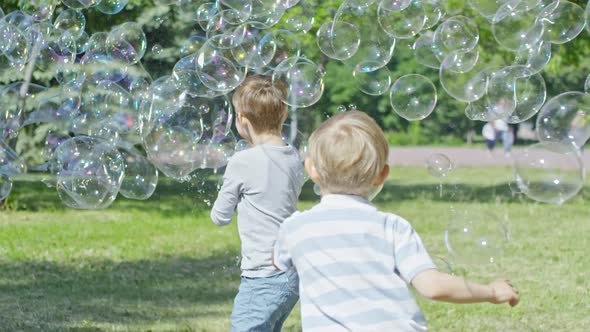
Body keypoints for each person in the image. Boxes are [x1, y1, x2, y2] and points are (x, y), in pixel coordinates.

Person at [273, 111, 519, 331]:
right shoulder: (392, 227)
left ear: (311, 169)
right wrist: (491, 291)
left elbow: (277, 266)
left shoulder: (294, 228)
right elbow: (433, 286)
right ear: (382, 175)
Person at [211, 75, 305, 331]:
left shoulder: (242, 162)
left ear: (242, 120)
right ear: (283, 115)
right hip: (291, 273)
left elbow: (220, 216)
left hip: (262, 275)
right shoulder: (293, 157)